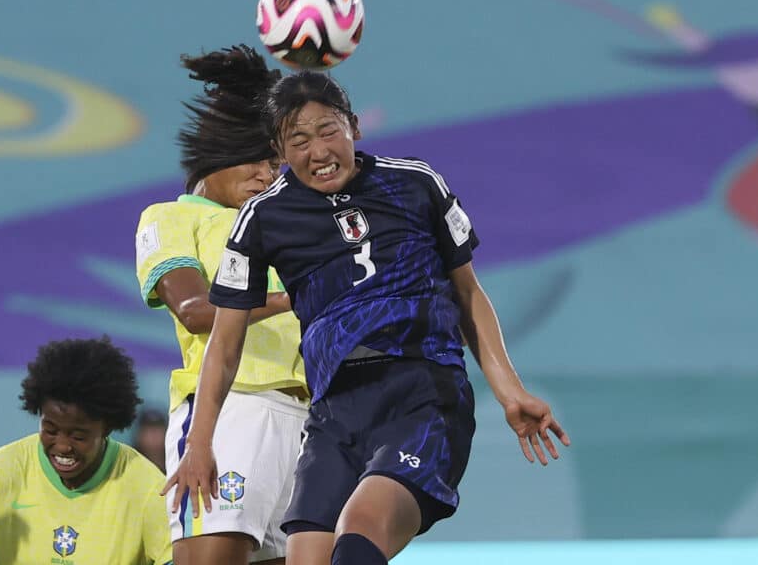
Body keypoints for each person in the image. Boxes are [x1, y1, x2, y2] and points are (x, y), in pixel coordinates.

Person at [163, 71, 572, 565]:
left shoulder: (416, 184)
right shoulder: (262, 220)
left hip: (421, 393)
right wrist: (199, 443)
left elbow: (468, 292)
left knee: (358, 531)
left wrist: (511, 392)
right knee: (309, 556)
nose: (318, 151)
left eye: (329, 130)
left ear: (354, 126)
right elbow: (224, 345)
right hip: (333, 413)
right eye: (299, 139)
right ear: (280, 150)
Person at [135, 45, 309, 565]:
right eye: (255, 158)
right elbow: (193, 308)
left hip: (306, 417)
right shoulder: (169, 218)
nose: (266, 174)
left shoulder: (283, 227)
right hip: (232, 409)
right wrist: (290, 297)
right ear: (216, 155)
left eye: (275, 162)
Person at [0, 337, 173, 565]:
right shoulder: (1, 471)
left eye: (78, 435)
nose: (62, 446)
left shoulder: (147, 488)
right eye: (50, 430)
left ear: (108, 427)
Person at [134, 408, 169, 473]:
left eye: (157, 431)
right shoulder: (131, 462)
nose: (154, 437)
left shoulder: (173, 461)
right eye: (149, 431)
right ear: (139, 435)